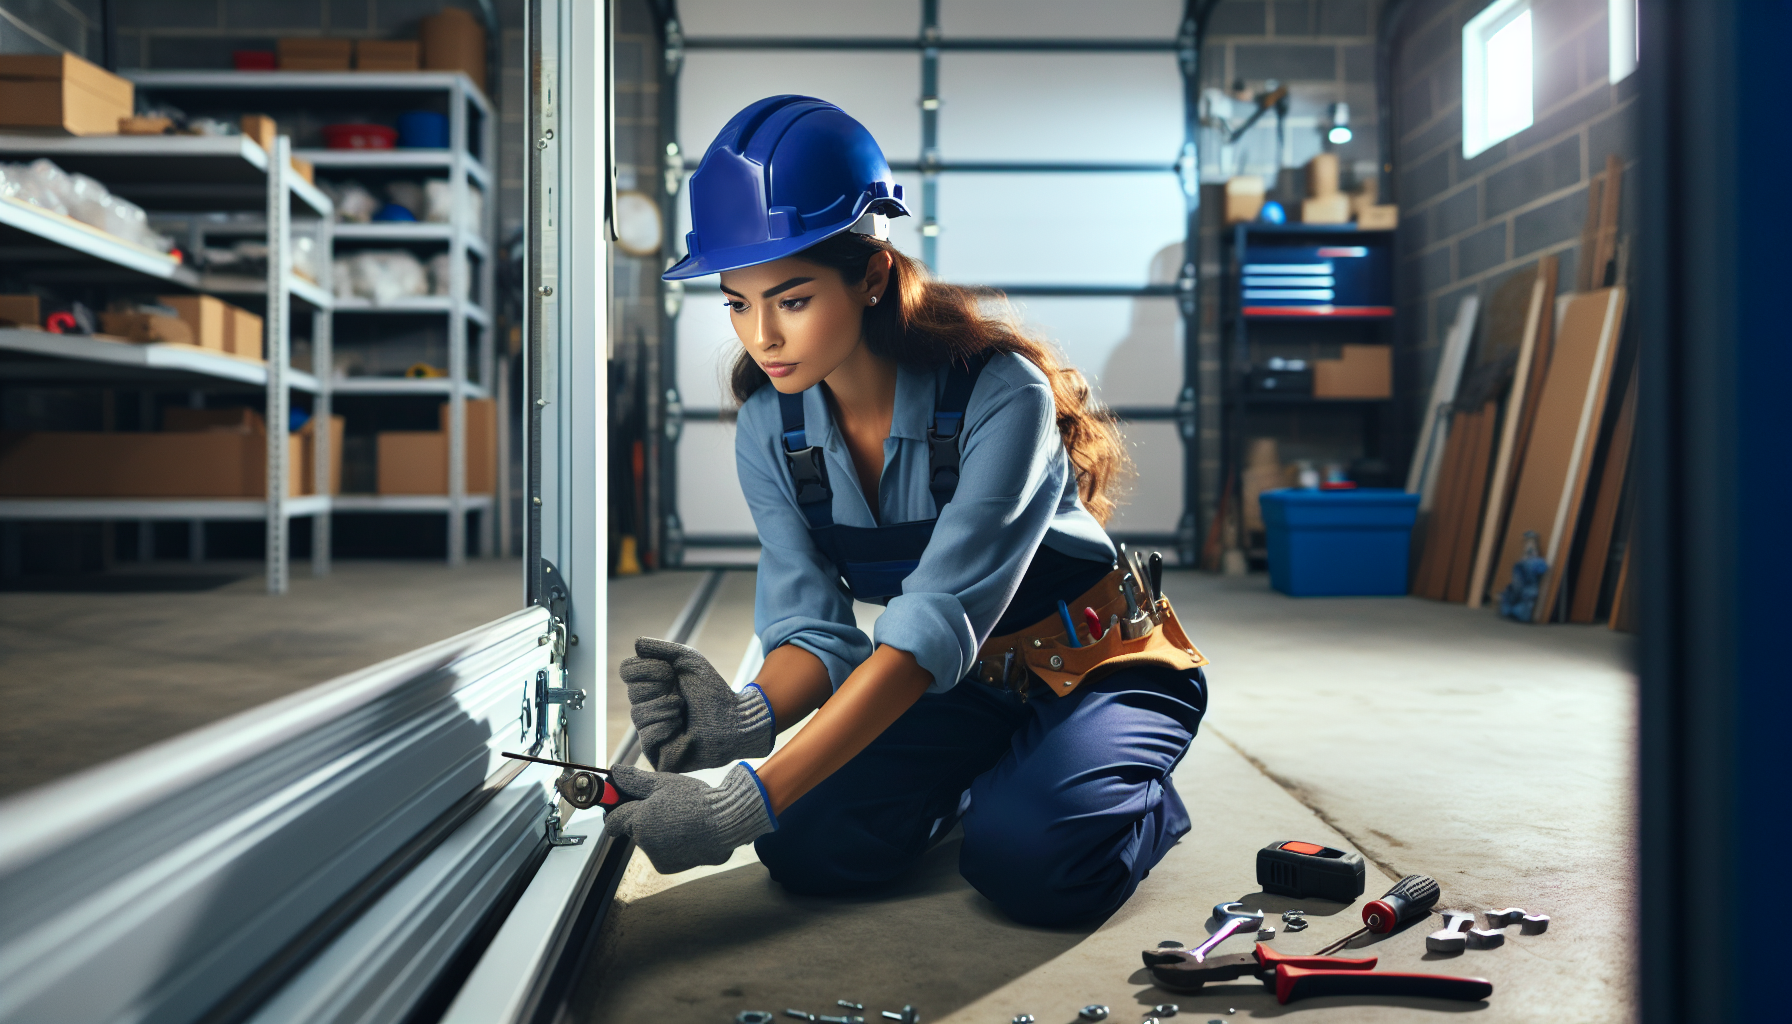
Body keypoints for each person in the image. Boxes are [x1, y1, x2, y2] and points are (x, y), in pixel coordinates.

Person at [598, 95, 1209, 926]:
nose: (762, 336)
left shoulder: (1001, 394)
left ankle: (1130, 798)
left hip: (1100, 666)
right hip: (969, 691)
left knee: (1031, 865)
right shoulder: (770, 431)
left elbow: (928, 627)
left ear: (873, 275)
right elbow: (813, 627)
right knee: (808, 848)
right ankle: (994, 775)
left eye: (793, 298)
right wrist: (748, 717)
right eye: (738, 302)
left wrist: (736, 803)